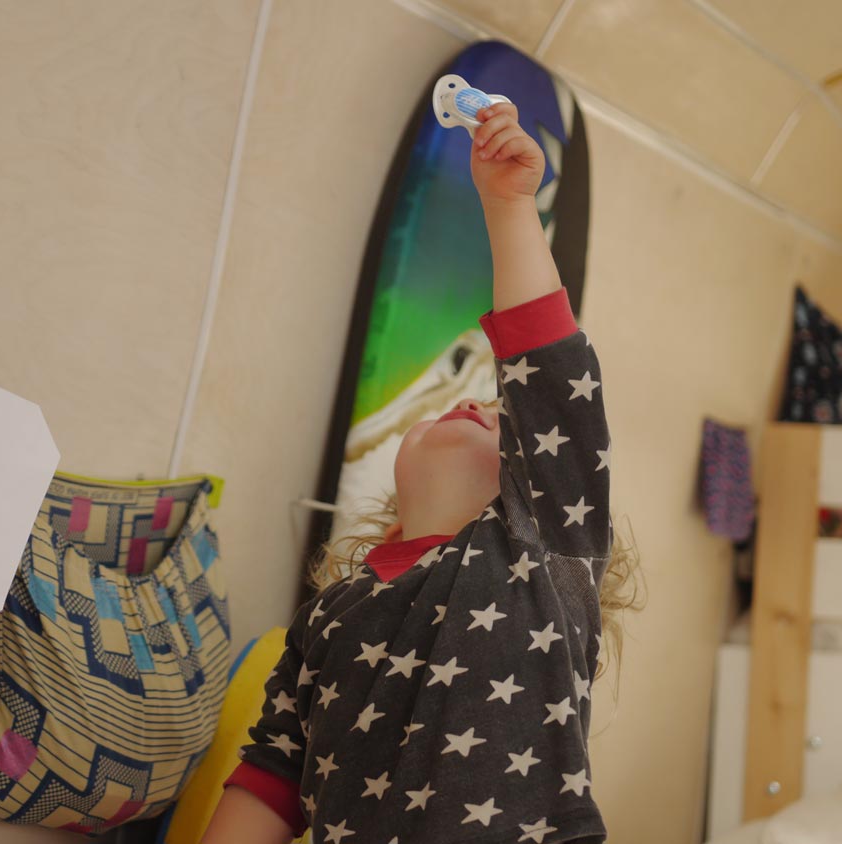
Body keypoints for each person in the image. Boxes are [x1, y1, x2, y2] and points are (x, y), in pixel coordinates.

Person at [202, 101, 635, 844]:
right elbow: (271, 776)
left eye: (502, 417)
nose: (476, 404)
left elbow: (551, 374)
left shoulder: (540, 556)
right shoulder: (330, 617)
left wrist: (509, 205)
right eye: (473, 406)